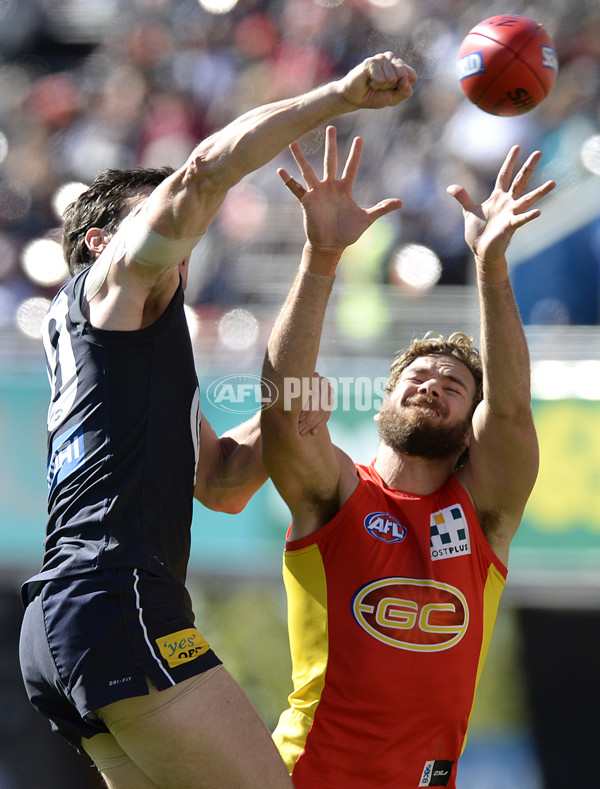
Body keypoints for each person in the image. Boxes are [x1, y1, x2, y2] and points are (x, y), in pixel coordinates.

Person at [18, 54, 418, 789]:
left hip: (70, 615)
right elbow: (206, 169)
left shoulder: (129, 347)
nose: (182, 222)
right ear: (103, 241)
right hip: (117, 597)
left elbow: (224, 484)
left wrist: (288, 406)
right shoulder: (114, 282)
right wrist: (338, 96)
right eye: (153, 208)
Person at [260, 125, 555, 789]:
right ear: (383, 401)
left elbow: (509, 410)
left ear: (469, 428)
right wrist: (321, 258)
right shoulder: (337, 492)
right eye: (418, 376)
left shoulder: (483, 515)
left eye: (454, 387)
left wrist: (492, 270)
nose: (432, 384)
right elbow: (284, 408)